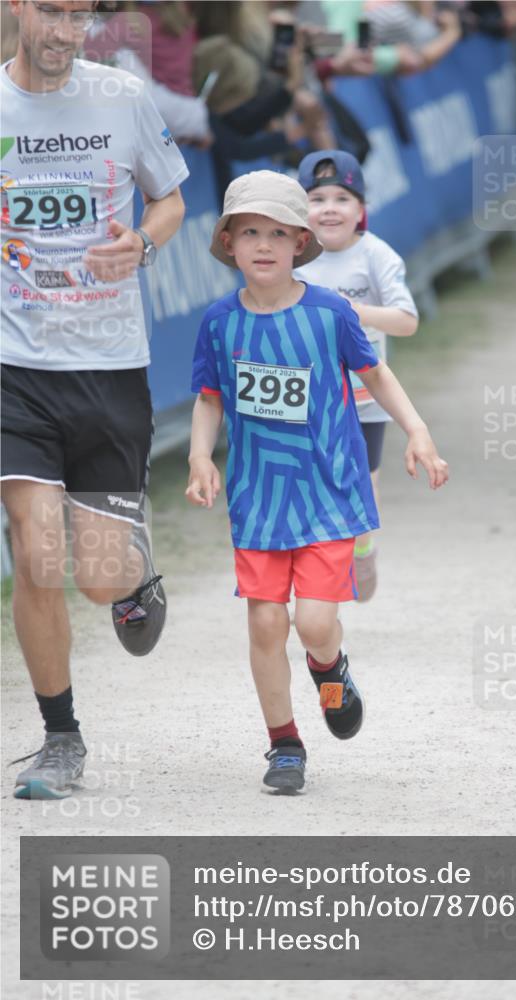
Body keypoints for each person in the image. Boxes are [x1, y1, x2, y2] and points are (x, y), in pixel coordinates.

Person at [186, 170, 448, 794]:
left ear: (301, 243)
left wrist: (418, 431)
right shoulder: (220, 323)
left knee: (312, 625)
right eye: (250, 232)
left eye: (279, 232)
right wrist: (201, 457)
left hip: (329, 492)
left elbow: (376, 374)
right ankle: (284, 746)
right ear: (229, 243)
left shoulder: (331, 312)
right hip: (259, 499)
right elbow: (208, 398)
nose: (265, 244)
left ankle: (329, 669)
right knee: (265, 624)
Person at [1, 0, 188, 799]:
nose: (65, 32)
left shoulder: (121, 96)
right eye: (52, 11)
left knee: (100, 579)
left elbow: (172, 199)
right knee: (35, 550)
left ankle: (134, 582)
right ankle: (60, 737)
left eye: (80, 16)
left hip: (110, 366)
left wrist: (141, 243)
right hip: (15, 365)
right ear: (15, 7)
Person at [294, 150, 418, 601]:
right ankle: (314, 565)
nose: (329, 208)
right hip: (305, 397)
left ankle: (362, 547)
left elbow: (407, 320)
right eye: (316, 198)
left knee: (363, 480)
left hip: (364, 397)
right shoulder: (291, 256)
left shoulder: (376, 255)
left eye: (342, 198)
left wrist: (355, 311)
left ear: (361, 209)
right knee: (309, 479)